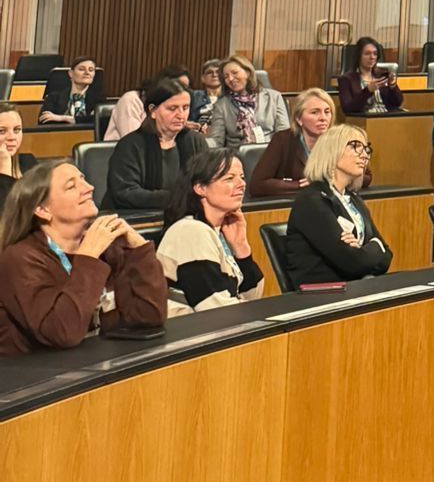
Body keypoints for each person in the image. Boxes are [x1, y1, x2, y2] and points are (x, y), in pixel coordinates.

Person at [0, 159, 167, 356]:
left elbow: (149, 315)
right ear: (43, 210)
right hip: (34, 379)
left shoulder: (107, 246)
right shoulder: (19, 258)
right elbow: (61, 332)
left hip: (94, 365)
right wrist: (88, 256)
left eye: (84, 180)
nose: (89, 188)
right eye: (71, 186)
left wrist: (139, 248)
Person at [285, 125, 393, 286]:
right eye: (356, 146)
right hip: (321, 294)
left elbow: (387, 256)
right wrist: (374, 246)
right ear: (332, 151)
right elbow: (352, 262)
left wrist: (365, 249)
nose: (364, 155)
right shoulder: (311, 201)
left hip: (353, 286)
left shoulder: (353, 199)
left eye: (366, 149)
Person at [156, 151, 263, 311]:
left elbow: (252, 297)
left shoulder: (217, 232)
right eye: (229, 178)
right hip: (190, 332)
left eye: (242, 177)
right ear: (200, 188)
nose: (241, 184)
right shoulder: (190, 231)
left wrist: (241, 248)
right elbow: (214, 309)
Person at [102, 78, 203, 216]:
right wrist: (180, 198)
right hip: (136, 220)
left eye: (185, 108)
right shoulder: (131, 145)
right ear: (153, 110)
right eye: (172, 108)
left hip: (184, 217)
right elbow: (126, 193)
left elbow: (208, 180)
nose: (181, 115)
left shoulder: (194, 140)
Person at [249, 88, 367, 195]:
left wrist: (330, 179)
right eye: (315, 112)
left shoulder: (340, 140)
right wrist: (299, 185)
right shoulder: (283, 140)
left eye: (327, 112)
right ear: (299, 119)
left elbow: (366, 177)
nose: (323, 118)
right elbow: (258, 185)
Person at [202, 56, 290, 153]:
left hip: (270, 153)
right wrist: (198, 142)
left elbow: (284, 134)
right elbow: (217, 140)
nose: (230, 79)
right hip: (237, 156)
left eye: (235, 73)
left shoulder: (274, 97)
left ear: (248, 73)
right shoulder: (222, 105)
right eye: (226, 76)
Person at [103, 65, 191, 144]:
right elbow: (134, 140)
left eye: (185, 87)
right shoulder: (131, 99)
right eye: (176, 86)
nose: (180, 91)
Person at [337, 37, 404, 117]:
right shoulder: (347, 79)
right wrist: (368, 91)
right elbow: (348, 108)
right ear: (359, 56)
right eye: (367, 54)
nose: (372, 57)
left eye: (375, 54)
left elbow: (397, 103)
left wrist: (392, 85)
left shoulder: (382, 76)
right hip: (364, 120)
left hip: (386, 118)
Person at [38, 55, 106, 127]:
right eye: (81, 69)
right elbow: (43, 120)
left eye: (91, 70)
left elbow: (100, 122)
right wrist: (83, 120)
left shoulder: (99, 99)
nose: (87, 72)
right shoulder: (53, 98)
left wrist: (62, 118)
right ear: (71, 73)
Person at [0, 105, 27, 216]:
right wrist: (5, 168)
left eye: (17, 130)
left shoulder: (28, 163)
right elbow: (7, 218)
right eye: (2, 131)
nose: (12, 137)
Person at [190, 58, 223, 126]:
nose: (214, 75)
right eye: (210, 72)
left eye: (218, 72)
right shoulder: (194, 96)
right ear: (203, 78)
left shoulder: (230, 98)